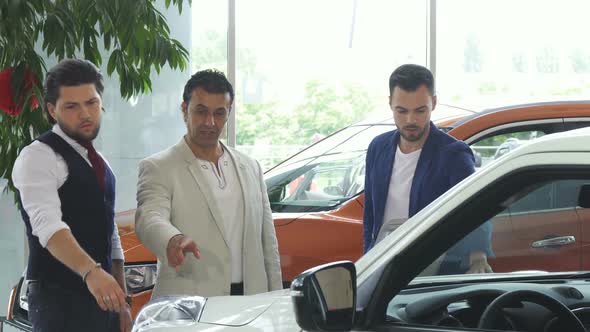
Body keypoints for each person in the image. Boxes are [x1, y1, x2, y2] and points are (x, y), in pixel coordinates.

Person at [135, 69, 282, 297]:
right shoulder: (159, 167)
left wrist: (274, 298)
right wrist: (172, 239)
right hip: (191, 304)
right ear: (185, 110)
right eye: (201, 112)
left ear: (229, 113)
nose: (210, 122)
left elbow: (268, 245)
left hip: (251, 302)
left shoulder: (251, 167)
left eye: (219, 113)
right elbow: (149, 218)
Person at [12, 59, 132, 332]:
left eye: (91, 102)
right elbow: (48, 227)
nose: (85, 114)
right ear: (52, 111)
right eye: (72, 106)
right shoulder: (38, 156)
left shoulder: (98, 160)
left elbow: (108, 229)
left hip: (103, 298)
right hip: (59, 300)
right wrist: (91, 272)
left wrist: (122, 299)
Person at [363, 64, 493, 274]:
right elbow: (370, 212)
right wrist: (368, 255)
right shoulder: (377, 148)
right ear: (390, 103)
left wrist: (477, 255)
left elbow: (475, 208)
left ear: (433, 102)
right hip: (383, 266)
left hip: (433, 269)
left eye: (420, 110)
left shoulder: (453, 154)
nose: (410, 120)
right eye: (401, 111)